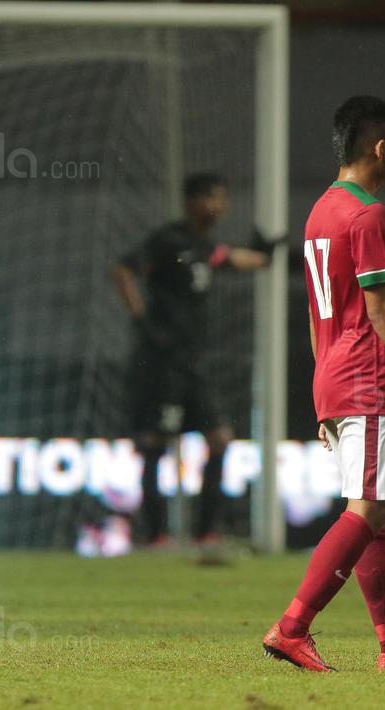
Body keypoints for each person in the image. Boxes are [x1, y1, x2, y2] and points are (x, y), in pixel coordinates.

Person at [262, 95, 385, 673]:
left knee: (381, 516)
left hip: (337, 375)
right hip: (369, 377)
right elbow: (380, 312)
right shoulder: (368, 214)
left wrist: (322, 387)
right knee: (370, 507)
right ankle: (293, 627)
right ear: (380, 147)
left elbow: (317, 308)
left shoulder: (321, 209)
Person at [111, 172, 277, 548]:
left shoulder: (205, 247)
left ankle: (206, 534)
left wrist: (265, 257)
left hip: (193, 364)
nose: (221, 207)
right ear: (194, 201)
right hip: (163, 361)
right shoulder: (166, 241)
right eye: (214, 199)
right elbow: (122, 270)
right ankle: (156, 537)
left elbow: (230, 258)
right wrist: (142, 321)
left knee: (219, 439)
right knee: (155, 442)